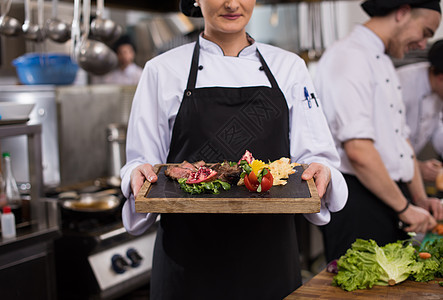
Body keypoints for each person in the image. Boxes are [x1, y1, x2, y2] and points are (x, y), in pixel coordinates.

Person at [121, 0, 348, 299]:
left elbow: (316, 154)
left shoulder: (288, 66)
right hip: (188, 258)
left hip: (269, 257)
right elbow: (142, 161)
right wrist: (137, 174)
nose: (231, 3)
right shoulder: (161, 70)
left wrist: (322, 170)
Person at [314, 0, 443, 263]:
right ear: (403, 12)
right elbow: (358, 150)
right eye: (426, 33)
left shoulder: (382, 59)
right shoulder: (348, 56)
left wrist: (419, 199)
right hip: (357, 201)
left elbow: (401, 139)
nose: (422, 45)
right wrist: (405, 208)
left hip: (386, 196)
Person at [396, 39, 443, 182]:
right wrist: (418, 168)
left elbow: (436, 128)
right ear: (441, 78)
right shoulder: (401, 84)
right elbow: (386, 141)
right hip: (383, 172)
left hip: (408, 172)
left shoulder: (438, 91)